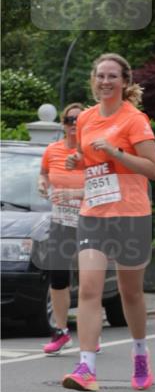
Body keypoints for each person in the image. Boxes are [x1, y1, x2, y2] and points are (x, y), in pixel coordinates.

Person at [62, 54, 155, 392]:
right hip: (94, 213)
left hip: (130, 214)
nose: (105, 82)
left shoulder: (134, 120)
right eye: (100, 76)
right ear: (93, 80)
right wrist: (77, 161)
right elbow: (88, 159)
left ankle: (140, 353)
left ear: (124, 81)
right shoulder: (86, 119)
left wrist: (117, 152)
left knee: (129, 292)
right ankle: (86, 368)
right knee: (89, 289)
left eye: (112, 76)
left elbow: (153, 169)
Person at [38, 103, 86, 354]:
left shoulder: (93, 152)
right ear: (63, 124)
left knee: (89, 280)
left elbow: (105, 186)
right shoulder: (52, 150)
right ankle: (61, 331)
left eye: (79, 120)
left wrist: (73, 194)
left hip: (89, 221)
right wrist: (42, 183)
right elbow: (44, 173)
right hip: (60, 221)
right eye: (69, 120)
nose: (73, 124)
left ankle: (91, 334)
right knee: (58, 277)